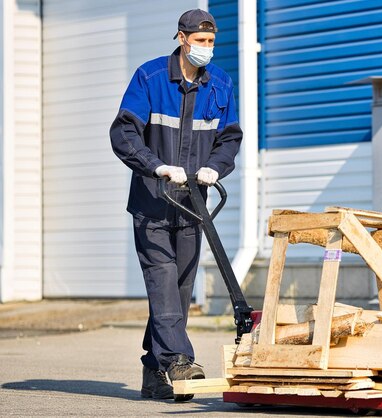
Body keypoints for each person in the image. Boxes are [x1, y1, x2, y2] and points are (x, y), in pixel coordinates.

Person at [109, 9, 242, 401]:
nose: (207, 49)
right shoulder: (150, 78)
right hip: (153, 201)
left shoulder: (220, 84)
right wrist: (157, 166)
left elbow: (229, 138)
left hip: (193, 206)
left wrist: (215, 169)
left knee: (179, 291)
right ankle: (179, 360)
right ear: (182, 39)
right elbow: (124, 131)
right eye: (201, 41)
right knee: (163, 281)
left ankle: (154, 373)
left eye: (212, 42)